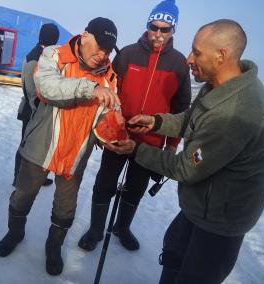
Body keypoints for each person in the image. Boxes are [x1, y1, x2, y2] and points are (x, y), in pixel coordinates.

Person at [124, 19, 264, 283]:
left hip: (220, 221)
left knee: (193, 276)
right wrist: (156, 121)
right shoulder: (218, 85)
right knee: (173, 253)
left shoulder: (234, 113)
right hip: (201, 205)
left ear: (221, 56)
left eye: (196, 52)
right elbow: (190, 121)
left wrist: (135, 149)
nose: (188, 58)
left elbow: (186, 168)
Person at [0, 17, 122, 276]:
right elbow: (46, 86)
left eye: (108, 51)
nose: (102, 55)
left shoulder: (110, 76)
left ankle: (53, 248)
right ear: (85, 35)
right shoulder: (55, 54)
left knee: (65, 210)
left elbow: (108, 117)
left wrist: (116, 136)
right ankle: (14, 233)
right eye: (99, 47)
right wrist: (90, 88)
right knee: (22, 196)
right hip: (41, 148)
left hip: (75, 156)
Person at [78, 0, 191, 252]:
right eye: (154, 27)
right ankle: (96, 230)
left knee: (135, 190)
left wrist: (171, 145)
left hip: (150, 143)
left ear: (173, 31)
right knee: (104, 184)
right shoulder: (127, 54)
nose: (158, 34)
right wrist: (105, 128)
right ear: (148, 25)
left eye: (165, 29)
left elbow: (182, 108)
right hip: (119, 136)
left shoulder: (179, 63)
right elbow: (109, 92)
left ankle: (122, 227)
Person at [13, 23, 60, 187]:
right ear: (53, 39)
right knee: (26, 144)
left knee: (38, 145)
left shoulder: (43, 54)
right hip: (32, 109)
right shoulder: (36, 57)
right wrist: (39, 110)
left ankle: (35, 177)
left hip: (38, 108)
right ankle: (18, 178)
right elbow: (31, 90)